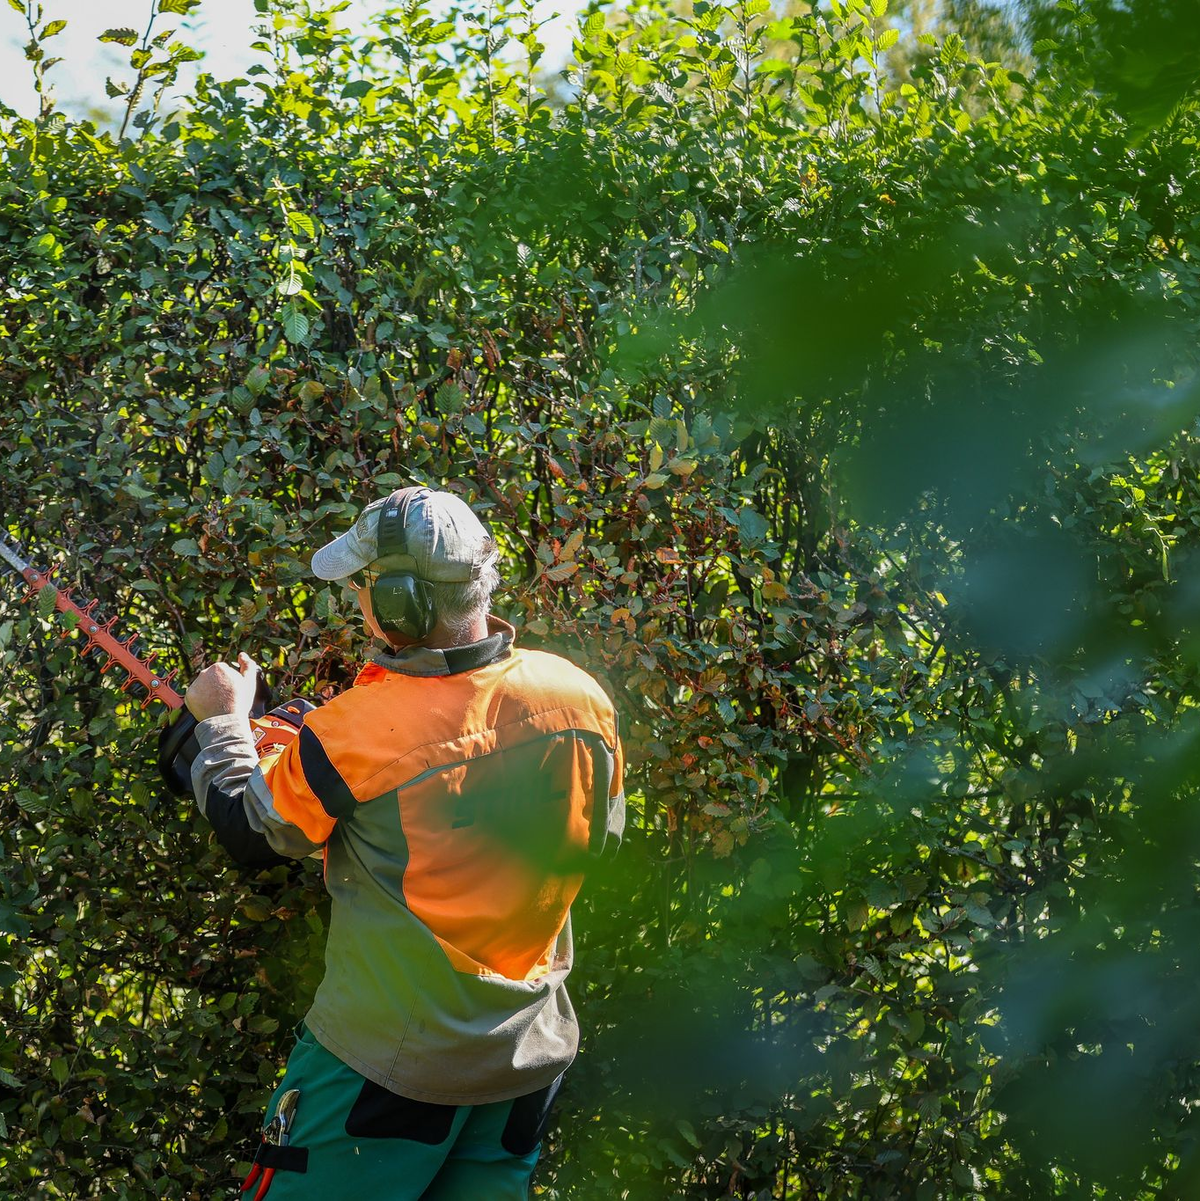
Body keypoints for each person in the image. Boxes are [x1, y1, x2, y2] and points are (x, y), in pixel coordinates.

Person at [182, 485, 625, 1200]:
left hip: (381, 1072)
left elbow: (249, 828)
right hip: (525, 1060)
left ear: (399, 605)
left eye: (363, 585)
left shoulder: (352, 732)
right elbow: (598, 842)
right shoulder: (579, 698)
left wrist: (223, 724)